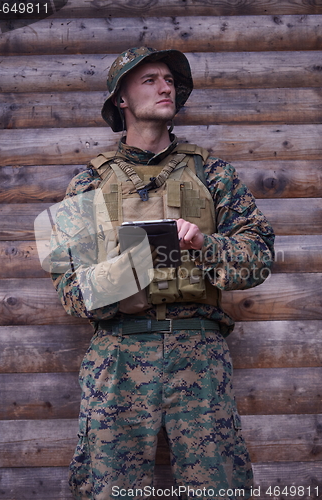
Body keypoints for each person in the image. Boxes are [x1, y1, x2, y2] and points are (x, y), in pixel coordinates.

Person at [50, 47, 275, 500]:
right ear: (122, 99)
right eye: (149, 79)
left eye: (170, 79)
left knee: (222, 487)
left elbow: (259, 257)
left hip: (200, 352)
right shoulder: (87, 185)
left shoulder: (213, 174)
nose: (165, 86)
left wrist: (203, 244)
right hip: (118, 354)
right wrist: (127, 267)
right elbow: (71, 291)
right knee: (109, 488)